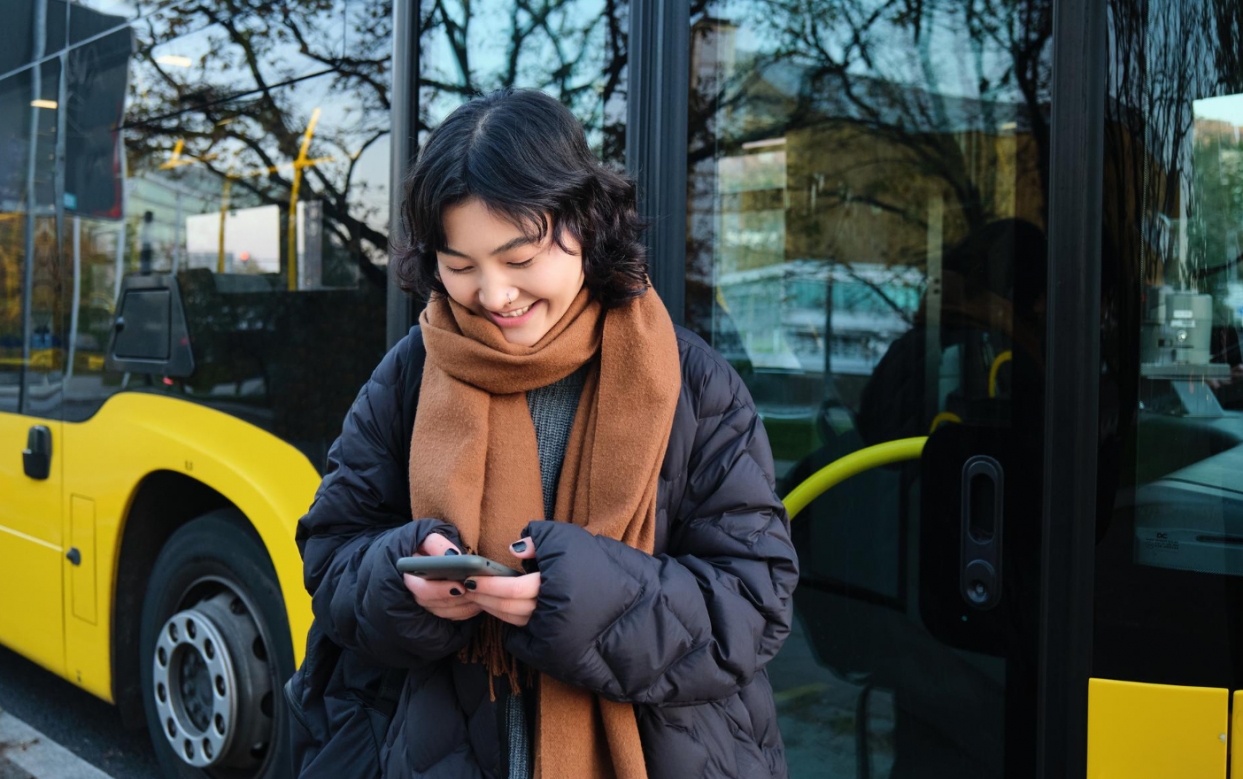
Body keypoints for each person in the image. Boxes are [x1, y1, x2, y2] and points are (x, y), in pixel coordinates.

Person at [295, 88, 799, 779]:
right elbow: (330, 555)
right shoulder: (410, 373)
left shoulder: (692, 382)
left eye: (520, 257)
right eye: (461, 265)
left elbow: (753, 602)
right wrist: (400, 574)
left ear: (585, 223)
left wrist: (575, 595)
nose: (494, 294)